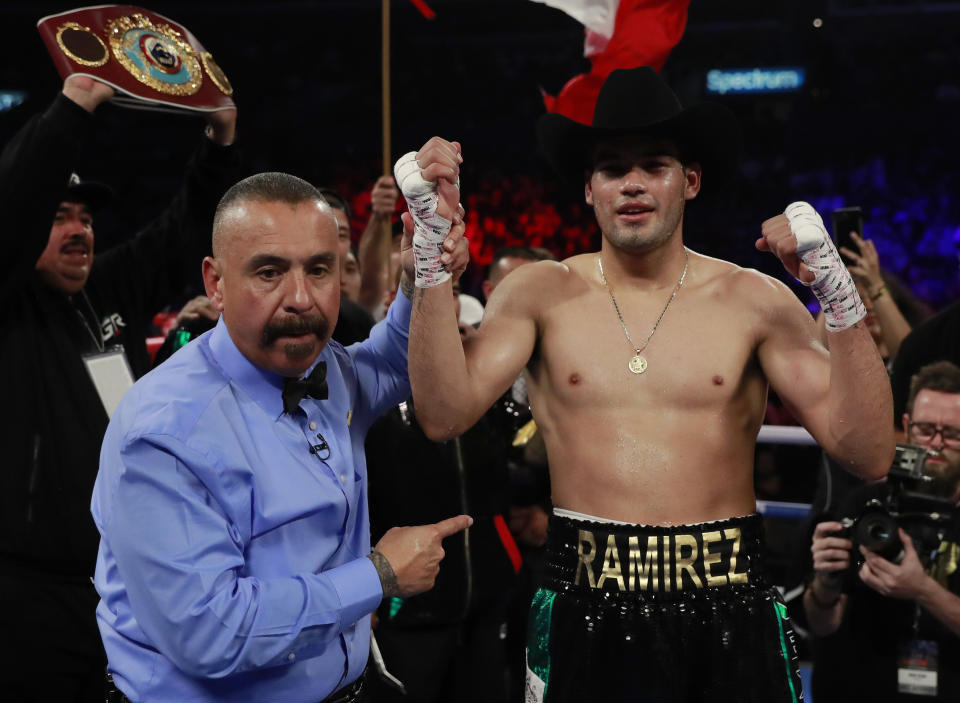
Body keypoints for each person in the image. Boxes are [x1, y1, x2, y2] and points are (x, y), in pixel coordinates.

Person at [401, 67, 894, 701]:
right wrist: (431, 254)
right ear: (589, 188)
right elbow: (443, 414)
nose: (632, 183)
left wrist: (837, 289)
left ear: (689, 181)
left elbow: (869, 450)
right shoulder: (539, 292)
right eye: (611, 167)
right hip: (583, 603)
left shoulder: (755, 299)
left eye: (654, 164)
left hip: (730, 606)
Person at [91, 169, 470, 703]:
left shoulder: (328, 369)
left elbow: (395, 361)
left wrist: (421, 266)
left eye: (319, 270)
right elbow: (211, 634)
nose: (301, 299)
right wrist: (379, 575)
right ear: (215, 283)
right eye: (269, 273)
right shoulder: (164, 431)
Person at [0, 73, 239, 702]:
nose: (80, 231)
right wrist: (70, 111)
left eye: (85, 218)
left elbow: (182, 230)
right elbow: (12, 202)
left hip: (127, 580)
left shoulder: (107, 290)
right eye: (58, 217)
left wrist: (218, 141)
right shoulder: (12, 303)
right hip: (30, 596)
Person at [365, 281, 520, 703]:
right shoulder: (374, 394)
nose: (439, 303)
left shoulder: (485, 386)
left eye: (449, 293)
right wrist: (366, 589)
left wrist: (493, 367)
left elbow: (528, 453)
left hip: (486, 605)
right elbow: (356, 497)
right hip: (407, 611)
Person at [804, 360, 960, 701]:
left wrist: (922, 589)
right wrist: (825, 583)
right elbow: (821, 624)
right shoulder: (865, 505)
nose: (935, 443)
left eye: (951, 434)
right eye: (924, 429)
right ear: (906, 426)